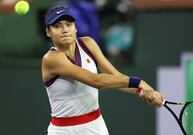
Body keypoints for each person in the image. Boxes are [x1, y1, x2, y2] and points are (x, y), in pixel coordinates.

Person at [41, 6, 164, 135]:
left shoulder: (88, 44)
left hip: (96, 127)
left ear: (75, 27)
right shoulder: (51, 59)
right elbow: (96, 81)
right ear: (48, 32)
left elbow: (117, 76)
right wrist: (138, 82)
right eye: (57, 26)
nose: (65, 30)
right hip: (64, 131)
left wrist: (144, 92)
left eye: (69, 24)